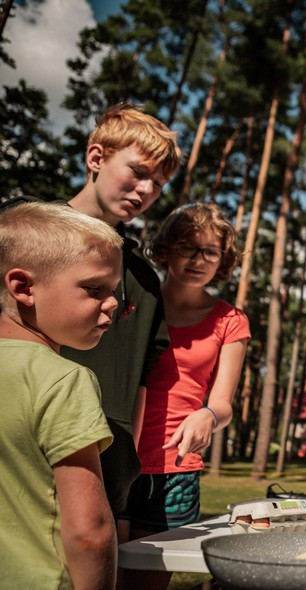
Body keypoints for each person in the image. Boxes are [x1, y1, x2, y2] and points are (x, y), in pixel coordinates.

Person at [56, 103, 180, 539]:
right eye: (138, 172)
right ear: (96, 157)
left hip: (106, 471)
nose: (146, 190)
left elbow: (142, 375)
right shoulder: (24, 233)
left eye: (158, 184)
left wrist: (126, 468)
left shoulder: (143, 278)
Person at [122, 203, 249, 589]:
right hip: (114, 458)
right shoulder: (135, 302)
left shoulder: (230, 321)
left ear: (223, 259)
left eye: (210, 251)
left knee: (144, 584)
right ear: (165, 250)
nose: (198, 260)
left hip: (174, 471)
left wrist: (208, 415)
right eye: (187, 247)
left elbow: (223, 404)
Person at [0, 202, 121, 589]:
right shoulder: (64, 380)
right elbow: (89, 532)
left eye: (114, 290)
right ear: (24, 288)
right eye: (94, 289)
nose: (114, 302)